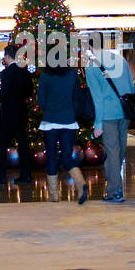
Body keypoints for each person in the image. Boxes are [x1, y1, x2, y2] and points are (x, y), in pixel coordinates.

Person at [84, 47, 135, 203]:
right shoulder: (121, 60)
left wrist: (98, 123)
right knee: (120, 149)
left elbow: (97, 98)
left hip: (108, 115)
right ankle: (116, 186)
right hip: (125, 112)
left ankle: (114, 191)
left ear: (90, 48)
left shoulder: (92, 66)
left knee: (112, 151)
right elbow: (131, 88)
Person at [37, 60, 87, 204]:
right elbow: (77, 97)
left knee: (51, 156)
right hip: (69, 121)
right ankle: (80, 183)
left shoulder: (45, 76)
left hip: (50, 121)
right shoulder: (72, 75)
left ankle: (54, 196)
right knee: (66, 156)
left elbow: (41, 101)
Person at [0, 43, 33, 184]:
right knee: (23, 144)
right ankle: (26, 175)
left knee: (2, 144)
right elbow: (29, 92)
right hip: (21, 112)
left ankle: (1, 175)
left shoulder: (5, 73)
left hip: (7, 113)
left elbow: (4, 93)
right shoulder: (25, 73)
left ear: (8, 56)